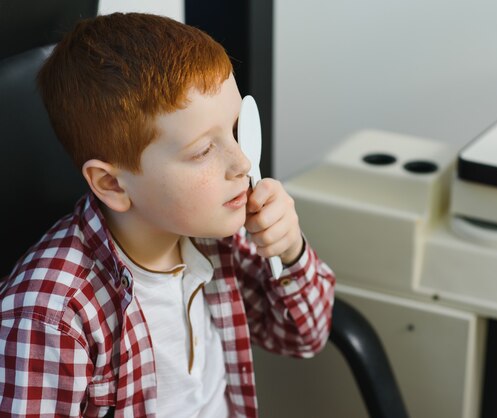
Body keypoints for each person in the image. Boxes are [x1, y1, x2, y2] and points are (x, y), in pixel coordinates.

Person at [0, 12, 335, 418]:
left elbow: (304, 337)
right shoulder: (52, 316)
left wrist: (291, 250)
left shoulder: (217, 226)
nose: (242, 162)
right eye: (201, 152)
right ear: (112, 185)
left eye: (234, 130)